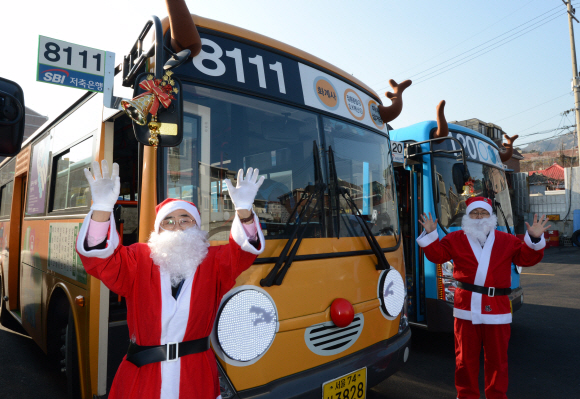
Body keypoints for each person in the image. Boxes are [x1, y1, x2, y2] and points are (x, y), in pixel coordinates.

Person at [76, 160, 265, 399]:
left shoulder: (214, 260)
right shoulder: (138, 258)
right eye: (168, 221)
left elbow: (245, 251)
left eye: (186, 220)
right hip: (144, 375)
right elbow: (100, 260)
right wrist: (102, 207)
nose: (177, 226)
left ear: (197, 227)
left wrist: (245, 211)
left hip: (196, 376)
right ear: (158, 230)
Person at [417, 196, 550, 399]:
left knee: (497, 360)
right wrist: (430, 234)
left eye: (483, 213)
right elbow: (437, 255)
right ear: (467, 216)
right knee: (464, 359)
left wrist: (533, 239)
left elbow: (526, 257)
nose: (479, 217)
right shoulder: (455, 239)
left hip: (497, 309)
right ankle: (466, 395)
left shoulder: (506, 239)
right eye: (474, 213)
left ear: (491, 216)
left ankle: (496, 396)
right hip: (466, 308)